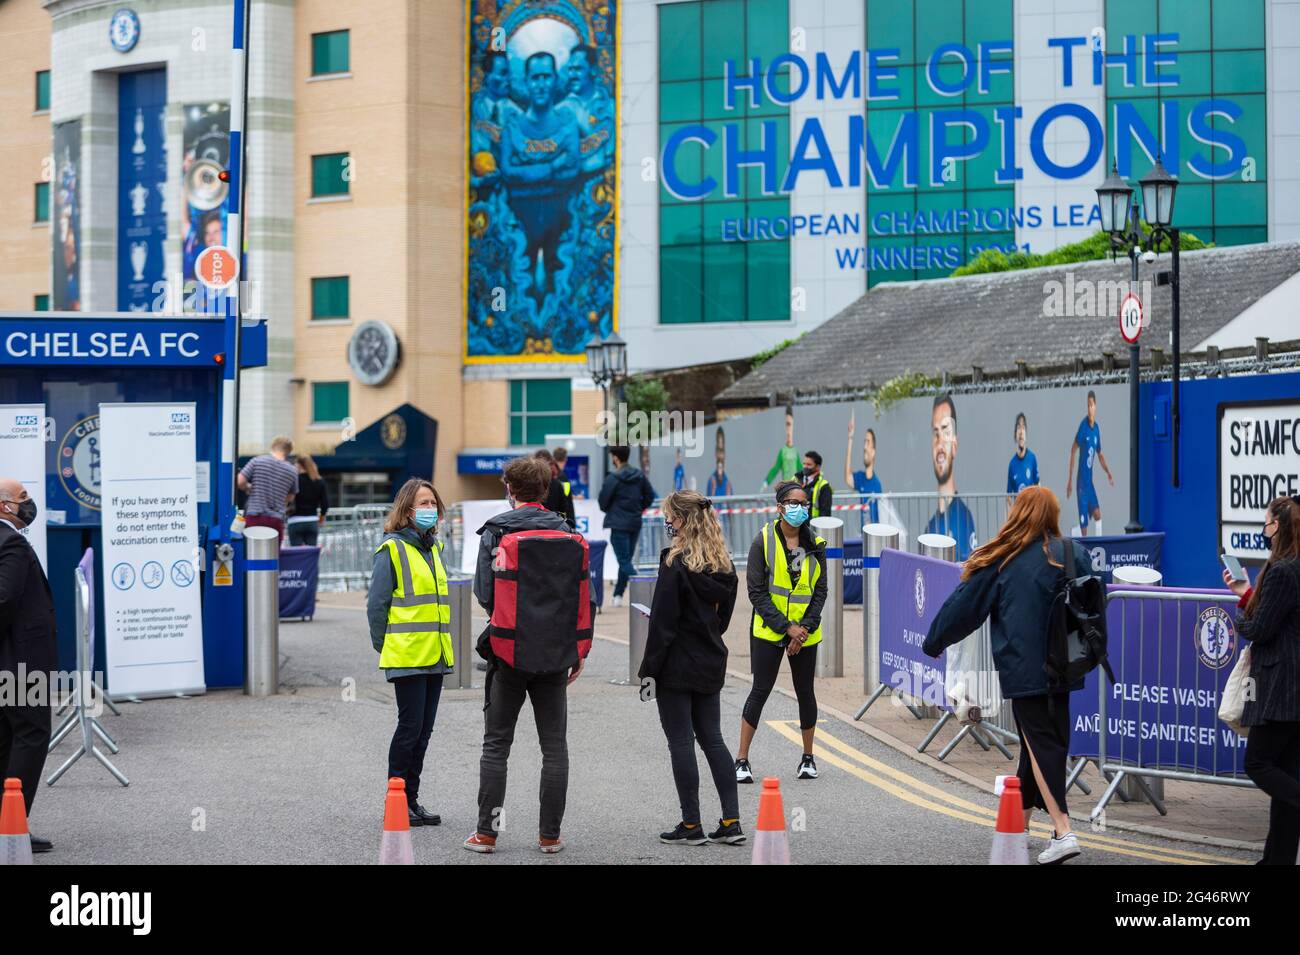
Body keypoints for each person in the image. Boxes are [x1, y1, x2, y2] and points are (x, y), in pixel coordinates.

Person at [922, 486, 1091, 865]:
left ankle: (1063, 831)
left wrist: (933, 642)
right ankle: (1017, 826)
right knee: (1042, 744)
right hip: (1068, 667)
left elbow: (963, 609)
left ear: (1019, 513)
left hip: (1025, 670)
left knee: (1041, 744)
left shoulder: (1005, 558)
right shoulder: (1072, 553)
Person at [465, 457, 587, 855]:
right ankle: (549, 836)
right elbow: (582, 596)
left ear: (509, 488)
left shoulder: (496, 531)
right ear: (547, 490)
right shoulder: (568, 532)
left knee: (497, 744)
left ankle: (487, 834)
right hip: (555, 653)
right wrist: (576, 648)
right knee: (555, 747)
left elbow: (484, 592)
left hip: (509, 650)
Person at [639, 490, 743, 846]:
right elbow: (722, 621)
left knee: (681, 742)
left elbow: (663, 626)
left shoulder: (674, 563)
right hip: (710, 659)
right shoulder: (724, 566)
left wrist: (647, 671)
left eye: (669, 516)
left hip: (676, 665)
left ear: (681, 521)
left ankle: (691, 823)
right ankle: (732, 821)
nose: (666, 522)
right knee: (713, 739)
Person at [367, 478, 452, 828]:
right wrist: (384, 644)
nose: (429, 509)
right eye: (423, 503)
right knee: (409, 728)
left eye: (433, 503)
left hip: (434, 654)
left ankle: (411, 800)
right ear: (407, 509)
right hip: (407, 655)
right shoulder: (393, 549)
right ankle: (397, 802)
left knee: (423, 731)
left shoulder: (434, 549)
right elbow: (377, 605)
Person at [1222, 495, 1300, 865]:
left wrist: (1238, 621)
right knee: (1285, 773)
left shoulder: (1284, 570)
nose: (1263, 529)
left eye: (1267, 523)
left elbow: (1261, 628)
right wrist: (1245, 594)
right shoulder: (1292, 568)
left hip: (1283, 685)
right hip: (1291, 684)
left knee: (1258, 763)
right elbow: (1277, 616)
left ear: (1280, 526)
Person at [735, 481, 827, 784]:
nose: (799, 508)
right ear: (779, 507)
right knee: (760, 690)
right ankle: (742, 760)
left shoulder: (816, 544)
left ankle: (808, 758)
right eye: (793, 503)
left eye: (804, 503)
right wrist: (787, 628)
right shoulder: (763, 540)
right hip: (769, 631)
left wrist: (803, 630)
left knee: (805, 693)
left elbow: (820, 591)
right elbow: (756, 591)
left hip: (806, 633)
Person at [0, 478, 56, 853]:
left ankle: (7, 825)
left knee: (6, 738)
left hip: (11, 662)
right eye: (23, 499)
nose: (29, 504)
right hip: (20, 664)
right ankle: (12, 829)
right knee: (31, 734)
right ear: (5, 507)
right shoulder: (11, 543)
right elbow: (3, 599)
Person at [598, 445, 655, 608]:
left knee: (624, 561)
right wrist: (638, 508)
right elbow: (650, 496)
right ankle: (618, 595)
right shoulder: (639, 475)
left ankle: (645, 587)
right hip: (634, 522)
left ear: (615, 457)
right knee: (626, 560)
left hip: (618, 524)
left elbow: (602, 503)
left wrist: (614, 510)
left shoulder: (612, 479)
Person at [925, 394, 978, 561]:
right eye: (935, 433)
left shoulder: (963, 518)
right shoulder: (930, 527)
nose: (940, 443)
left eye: (945, 431)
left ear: (954, 445)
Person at [1066, 391, 1114, 537]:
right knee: (1084, 529)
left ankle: (1099, 546)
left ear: (1095, 406)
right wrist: (1070, 480)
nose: (1089, 408)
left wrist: (1108, 472)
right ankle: (1079, 540)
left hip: (1089, 484)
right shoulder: (1083, 427)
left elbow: (1099, 454)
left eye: (1091, 405)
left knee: (1098, 515)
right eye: (1087, 405)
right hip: (1081, 484)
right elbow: (1073, 450)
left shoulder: (1096, 429)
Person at [237, 435, 299, 539]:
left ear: (273, 446)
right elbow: (291, 497)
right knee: (273, 554)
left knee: (252, 553)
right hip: (276, 520)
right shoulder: (292, 470)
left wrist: (249, 488)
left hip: (255, 517)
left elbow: (239, 482)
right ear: (289, 451)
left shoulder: (257, 461)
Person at [845, 412, 881, 527]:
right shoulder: (860, 477)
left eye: (868, 442)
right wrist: (850, 438)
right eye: (864, 442)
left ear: (874, 451)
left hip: (874, 535)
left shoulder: (877, 485)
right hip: (863, 535)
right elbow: (848, 478)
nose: (865, 447)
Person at [287, 453, 330, 547]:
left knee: (296, 554)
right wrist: (321, 519)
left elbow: (287, 500)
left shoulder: (294, 480)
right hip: (312, 520)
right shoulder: (319, 481)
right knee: (311, 555)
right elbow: (325, 504)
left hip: (295, 520)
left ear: (299, 465)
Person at [1006, 412, 1040, 507]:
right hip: (1020, 514)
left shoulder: (1032, 458)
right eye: (1018, 428)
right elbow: (1008, 496)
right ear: (1015, 435)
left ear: (1026, 434)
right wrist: (1013, 516)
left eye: (1023, 428)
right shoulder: (1012, 464)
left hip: (1031, 513)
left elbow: (1038, 486)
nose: (1021, 432)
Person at [762, 407, 801, 489]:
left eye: (790, 425)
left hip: (795, 487)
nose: (788, 429)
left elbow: (800, 469)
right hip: (786, 487)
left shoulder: (795, 452)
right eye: (787, 425)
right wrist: (767, 481)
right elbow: (776, 468)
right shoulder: (783, 451)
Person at [802, 451, 832, 520]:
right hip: (799, 527)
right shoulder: (798, 481)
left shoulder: (823, 486)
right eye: (804, 464)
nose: (805, 467)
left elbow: (825, 513)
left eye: (809, 465)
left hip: (814, 527)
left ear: (817, 467)